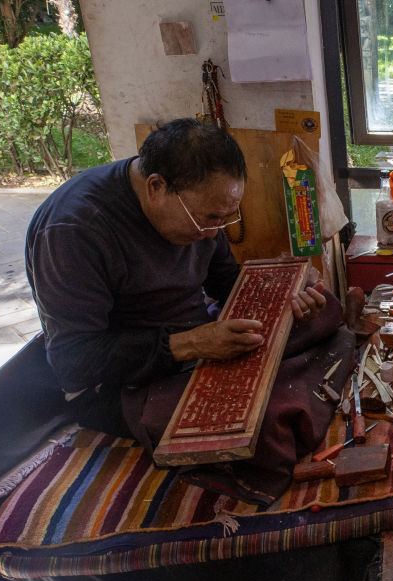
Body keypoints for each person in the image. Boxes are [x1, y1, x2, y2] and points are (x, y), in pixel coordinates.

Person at [25, 118, 349, 504]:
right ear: (156, 187)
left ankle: (283, 382)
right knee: (261, 427)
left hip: (196, 332)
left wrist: (287, 302)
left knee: (325, 311)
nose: (214, 233)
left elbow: (226, 283)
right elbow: (73, 362)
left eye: (226, 217)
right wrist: (189, 344)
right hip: (122, 381)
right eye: (207, 219)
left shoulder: (199, 205)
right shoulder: (73, 230)